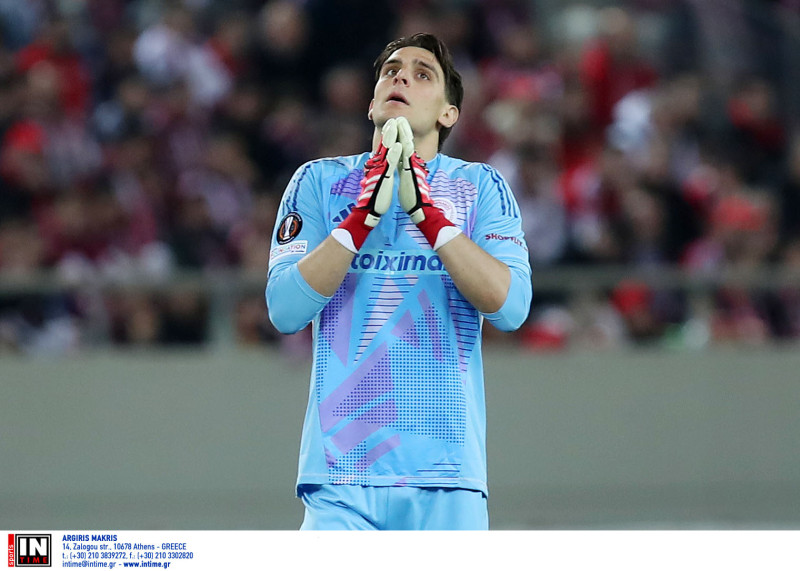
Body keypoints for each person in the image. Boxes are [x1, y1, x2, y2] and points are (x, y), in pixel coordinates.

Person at [266, 33, 532, 530]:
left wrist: (428, 216)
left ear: (449, 114)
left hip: (447, 477)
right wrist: (360, 220)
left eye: (422, 73)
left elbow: (511, 308)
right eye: (391, 70)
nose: (401, 77)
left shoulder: (480, 186)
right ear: (371, 104)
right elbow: (284, 310)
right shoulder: (318, 182)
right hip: (340, 478)